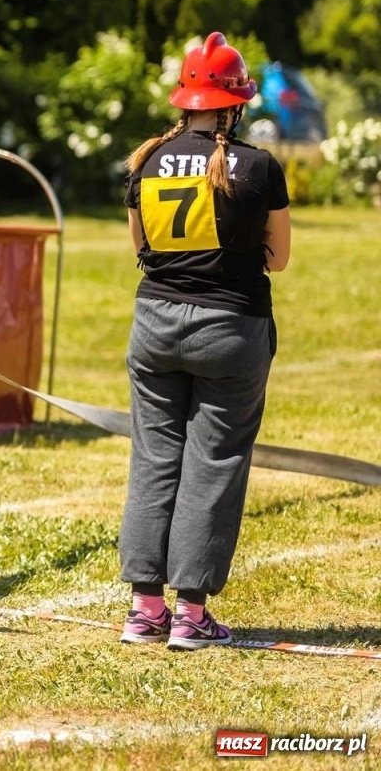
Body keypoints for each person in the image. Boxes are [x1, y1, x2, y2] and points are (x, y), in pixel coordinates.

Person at [117, 32, 291, 650]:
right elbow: (279, 259)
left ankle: (145, 610)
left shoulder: (146, 161)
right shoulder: (259, 166)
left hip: (154, 324)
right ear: (235, 104)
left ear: (185, 100)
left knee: (153, 458)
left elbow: (141, 248)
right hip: (230, 329)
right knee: (213, 463)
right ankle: (191, 616)